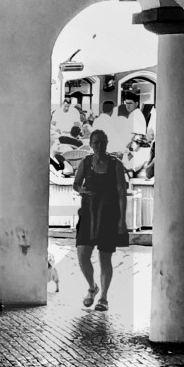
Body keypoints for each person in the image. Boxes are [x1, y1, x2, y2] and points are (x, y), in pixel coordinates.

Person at [72, 128, 128, 312]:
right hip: (88, 213)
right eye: (95, 142)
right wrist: (82, 191)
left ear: (107, 143)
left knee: (105, 257)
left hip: (108, 214)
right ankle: (92, 287)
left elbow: (121, 193)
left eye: (102, 142)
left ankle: (103, 297)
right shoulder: (86, 162)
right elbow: (76, 183)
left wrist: (122, 220)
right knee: (82, 254)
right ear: (91, 145)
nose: (99, 146)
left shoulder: (115, 164)